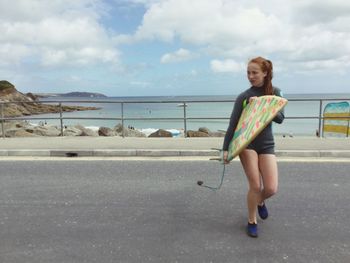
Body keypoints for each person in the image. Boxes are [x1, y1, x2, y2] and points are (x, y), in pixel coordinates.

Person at [222, 56, 285, 238]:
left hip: (266, 144)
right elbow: (233, 124)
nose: (250, 76)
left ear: (265, 73)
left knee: (271, 188)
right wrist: (226, 149)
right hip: (247, 143)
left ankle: (260, 202)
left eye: (254, 72)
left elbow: (280, 119)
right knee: (255, 186)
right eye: (248, 72)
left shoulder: (276, 92)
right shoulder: (243, 97)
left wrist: (263, 105)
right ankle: (251, 220)